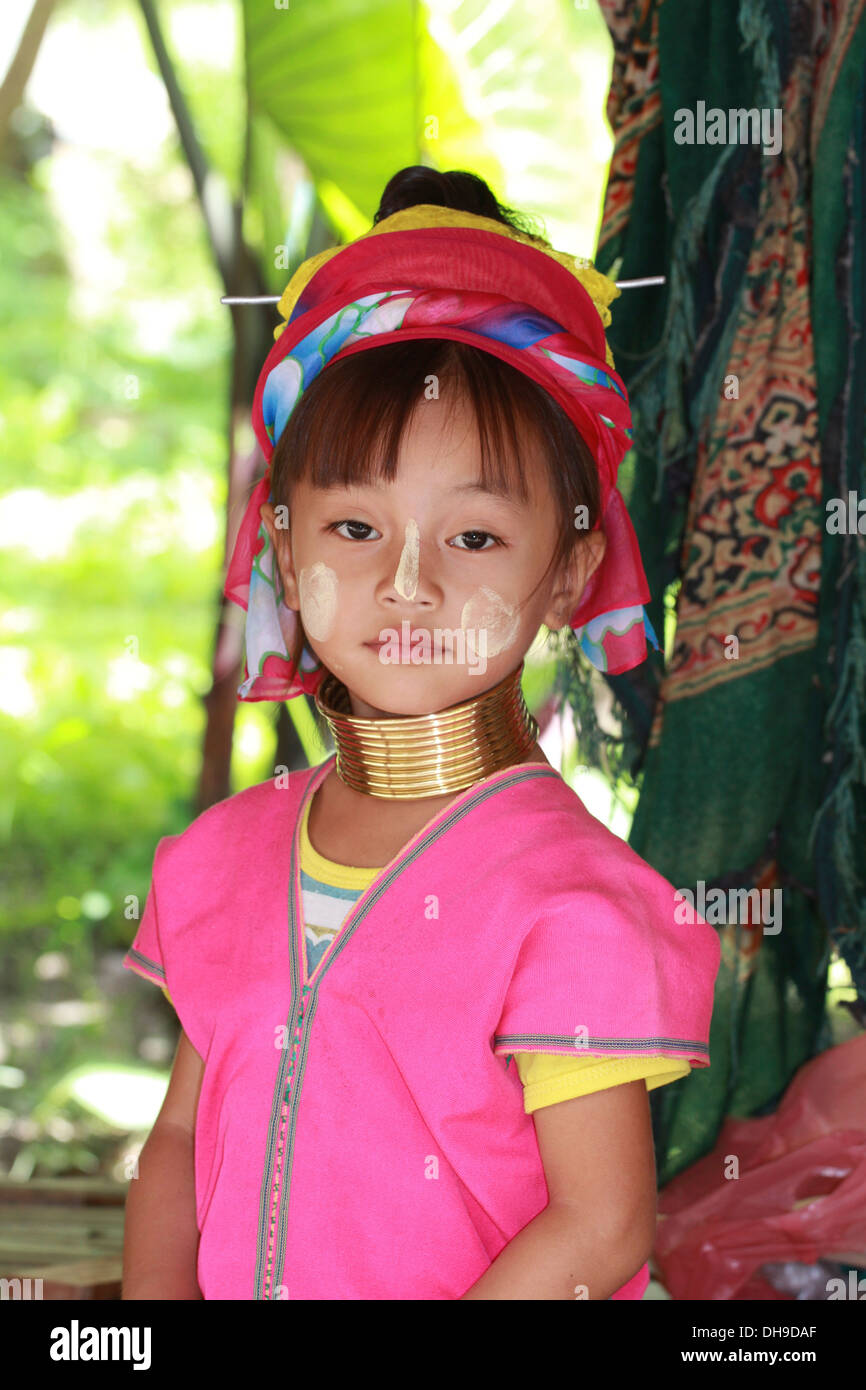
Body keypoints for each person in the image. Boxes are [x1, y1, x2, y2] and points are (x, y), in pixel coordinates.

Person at [121, 167, 720, 1301]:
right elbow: (174, 1148)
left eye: (476, 538)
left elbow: (598, 1230)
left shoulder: (571, 902)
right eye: (355, 526)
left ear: (568, 574)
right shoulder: (223, 858)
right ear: (284, 552)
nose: (406, 584)